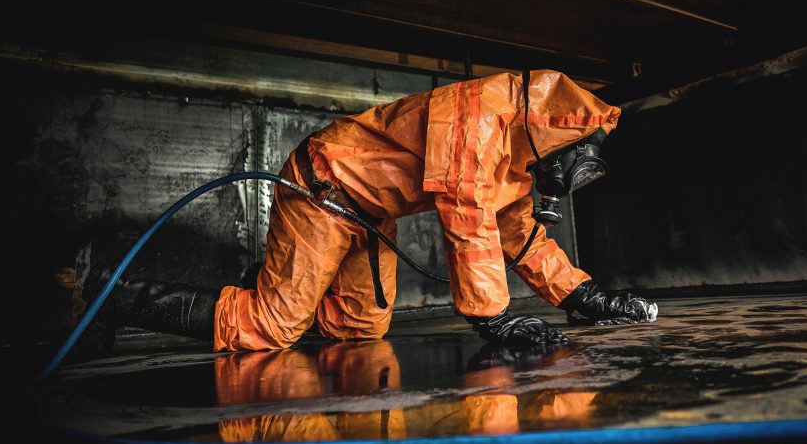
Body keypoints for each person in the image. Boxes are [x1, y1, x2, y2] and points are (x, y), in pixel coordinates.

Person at [88, 70, 657, 353]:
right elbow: (468, 218)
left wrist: (581, 295)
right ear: (557, 135)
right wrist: (493, 317)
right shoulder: (480, 114)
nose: (570, 177)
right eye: (577, 161)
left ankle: (276, 286)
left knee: (361, 328)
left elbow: (514, 229)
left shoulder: (517, 155)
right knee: (273, 327)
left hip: (370, 216)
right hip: (325, 188)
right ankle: (110, 296)